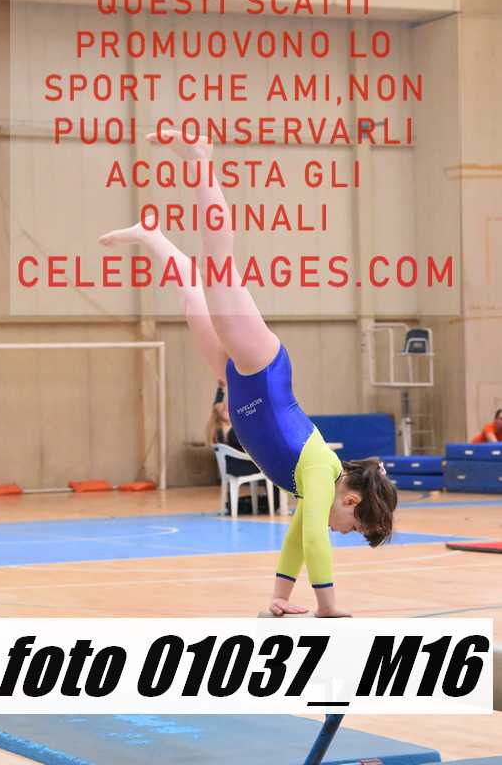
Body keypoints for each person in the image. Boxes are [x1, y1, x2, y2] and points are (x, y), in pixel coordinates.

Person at [99, 129, 397, 618]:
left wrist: (279, 598)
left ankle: (153, 238)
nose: (342, 533)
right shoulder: (322, 473)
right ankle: (200, 158)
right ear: (352, 501)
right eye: (354, 528)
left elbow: (297, 541)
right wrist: (327, 607)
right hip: (262, 371)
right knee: (218, 267)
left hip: (241, 387)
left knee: (192, 300)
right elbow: (316, 542)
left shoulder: (317, 486)